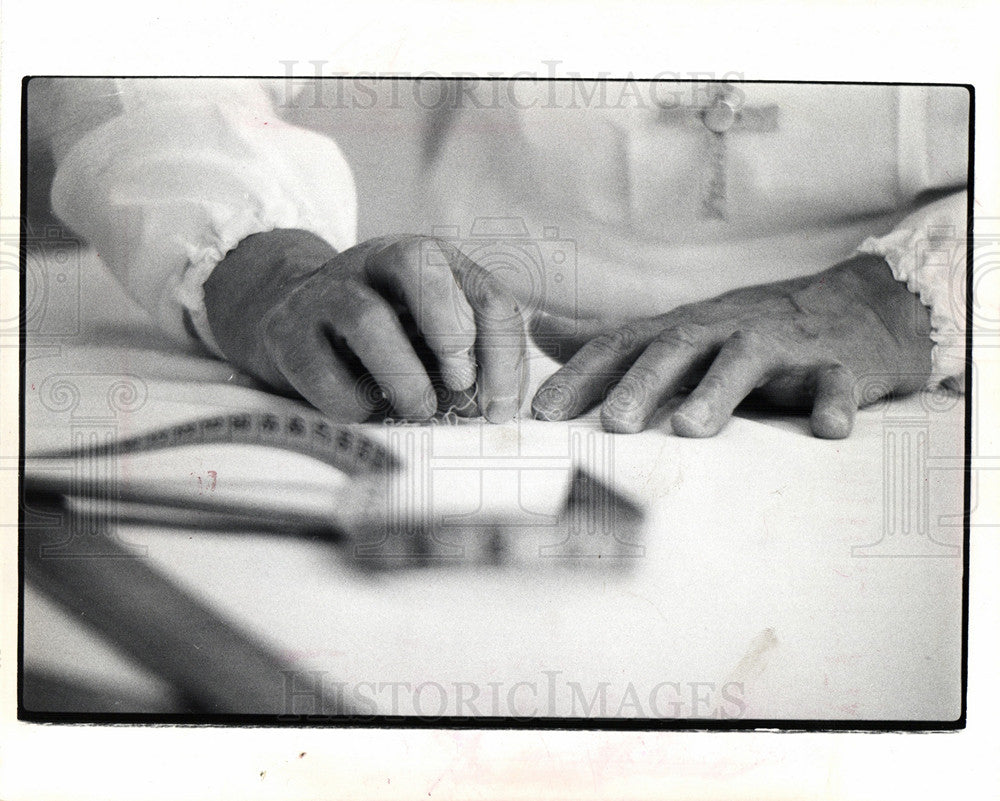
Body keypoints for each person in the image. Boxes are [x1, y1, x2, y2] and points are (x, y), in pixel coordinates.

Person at [35, 77, 969, 438]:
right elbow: (123, 45)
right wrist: (261, 264)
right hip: (475, 360)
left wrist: (905, 299)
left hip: (901, 391)